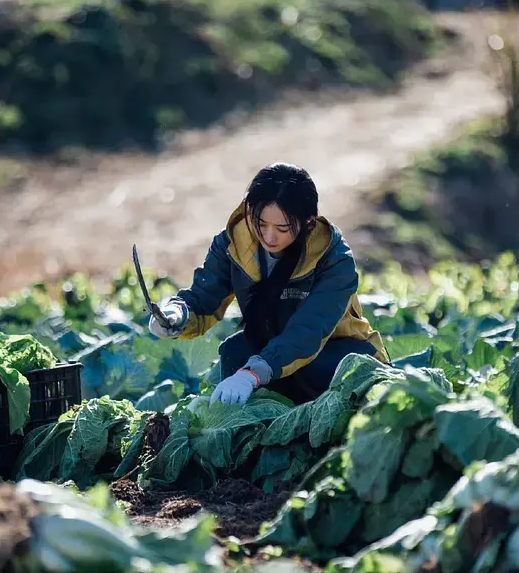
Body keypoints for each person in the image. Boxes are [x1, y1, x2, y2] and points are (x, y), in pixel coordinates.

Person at [148, 163, 390, 405]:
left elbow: (308, 331)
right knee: (235, 351)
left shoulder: (333, 258)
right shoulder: (232, 242)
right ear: (249, 210)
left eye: (282, 228)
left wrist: (251, 374)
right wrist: (177, 315)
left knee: (313, 367)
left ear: (308, 223)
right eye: (260, 224)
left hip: (341, 354)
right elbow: (204, 297)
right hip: (276, 353)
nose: (269, 237)